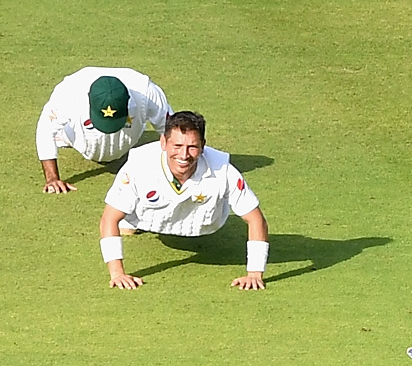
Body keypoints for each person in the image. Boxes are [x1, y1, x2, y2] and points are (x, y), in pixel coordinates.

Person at [101, 111, 269, 290]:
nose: (184, 155)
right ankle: (132, 223)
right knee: (124, 220)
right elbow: (109, 218)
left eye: (192, 147)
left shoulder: (224, 170)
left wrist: (254, 274)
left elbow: (256, 219)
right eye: (177, 145)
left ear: (203, 146)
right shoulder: (138, 166)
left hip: (205, 226)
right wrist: (117, 273)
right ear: (163, 143)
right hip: (144, 219)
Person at [37, 66, 172, 193]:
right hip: (74, 138)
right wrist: (52, 179)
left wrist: (171, 171)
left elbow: (171, 130)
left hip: (128, 142)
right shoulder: (70, 92)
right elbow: (45, 129)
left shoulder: (146, 92)